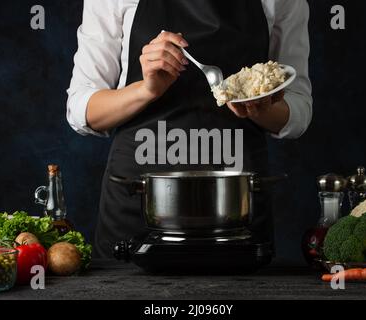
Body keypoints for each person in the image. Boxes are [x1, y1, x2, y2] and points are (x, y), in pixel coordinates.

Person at [67, 0, 313, 258]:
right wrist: (146, 90)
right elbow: (82, 109)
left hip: (235, 211)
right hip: (139, 202)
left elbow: (299, 110)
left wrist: (260, 105)